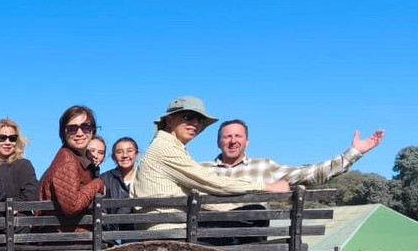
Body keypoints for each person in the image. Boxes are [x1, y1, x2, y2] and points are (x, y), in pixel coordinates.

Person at [131, 97, 289, 228]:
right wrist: (267, 187)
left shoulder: (169, 147)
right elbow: (210, 182)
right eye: (188, 117)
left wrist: (232, 208)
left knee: (251, 212)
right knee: (254, 213)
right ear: (170, 121)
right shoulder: (165, 148)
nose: (195, 124)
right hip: (171, 229)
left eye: (199, 120)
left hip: (174, 224)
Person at [205, 119, 384, 184]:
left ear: (247, 142)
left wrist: (353, 153)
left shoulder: (264, 167)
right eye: (227, 137)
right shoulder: (202, 169)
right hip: (207, 241)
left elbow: (309, 174)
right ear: (218, 142)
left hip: (249, 240)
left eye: (238, 136)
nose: (233, 141)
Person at [38, 105, 106, 231]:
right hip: (62, 241)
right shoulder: (67, 162)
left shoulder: (79, 158)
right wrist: (98, 184)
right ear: (64, 132)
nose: (79, 133)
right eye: (72, 128)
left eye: (85, 127)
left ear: (92, 131)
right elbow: (73, 206)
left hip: (75, 235)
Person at [0, 118, 39, 201]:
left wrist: (11, 207)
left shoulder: (23, 165)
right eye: (2, 138)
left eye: (12, 138)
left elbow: (31, 195)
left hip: (16, 213)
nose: (7, 142)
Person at [99, 137, 139, 229]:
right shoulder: (105, 179)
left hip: (140, 231)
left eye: (130, 151)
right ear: (113, 157)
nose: (125, 155)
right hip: (113, 234)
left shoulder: (145, 177)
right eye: (119, 152)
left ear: (136, 154)